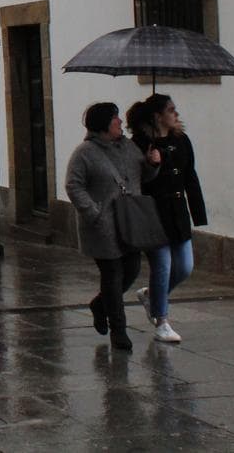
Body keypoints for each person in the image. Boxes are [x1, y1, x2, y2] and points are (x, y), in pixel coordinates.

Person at [65, 101, 161, 351]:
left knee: (132, 269)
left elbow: (144, 176)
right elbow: (73, 185)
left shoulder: (128, 147)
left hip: (129, 222)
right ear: (103, 124)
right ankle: (119, 330)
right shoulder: (84, 153)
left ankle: (100, 304)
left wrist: (152, 163)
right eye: (114, 118)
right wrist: (93, 212)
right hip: (103, 226)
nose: (120, 122)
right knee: (112, 276)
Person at [126, 94, 207, 344]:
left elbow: (190, 176)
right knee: (162, 266)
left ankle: (151, 296)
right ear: (157, 116)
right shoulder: (140, 144)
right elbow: (136, 179)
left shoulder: (181, 140)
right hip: (153, 212)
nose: (176, 114)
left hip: (177, 211)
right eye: (171, 110)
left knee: (184, 267)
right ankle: (161, 321)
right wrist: (152, 164)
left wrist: (198, 212)